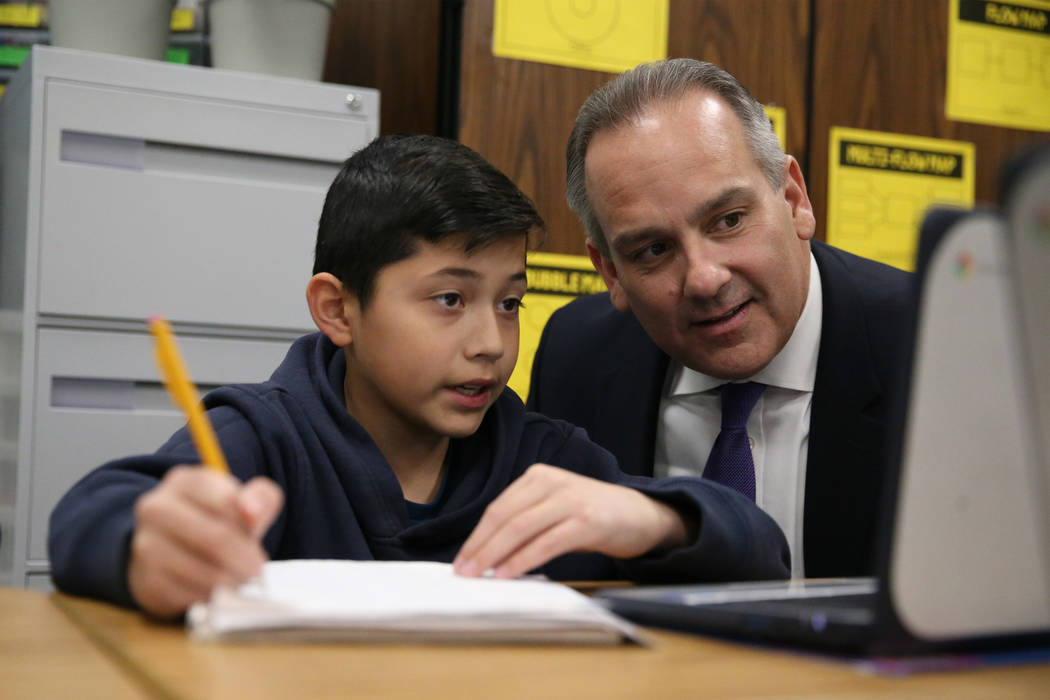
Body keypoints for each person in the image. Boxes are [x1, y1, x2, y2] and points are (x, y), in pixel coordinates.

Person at [48, 134, 790, 619]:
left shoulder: (538, 456)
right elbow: (91, 512)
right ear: (338, 310)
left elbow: (762, 551)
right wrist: (144, 542)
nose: (490, 344)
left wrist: (656, 519)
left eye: (509, 303)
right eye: (449, 300)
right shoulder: (264, 437)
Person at [527, 59, 911, 579]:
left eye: (728, 221)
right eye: (653, 250)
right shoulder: (577, 357)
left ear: (794, 199)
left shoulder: (937, 346)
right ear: (611, 272)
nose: (704, 279)